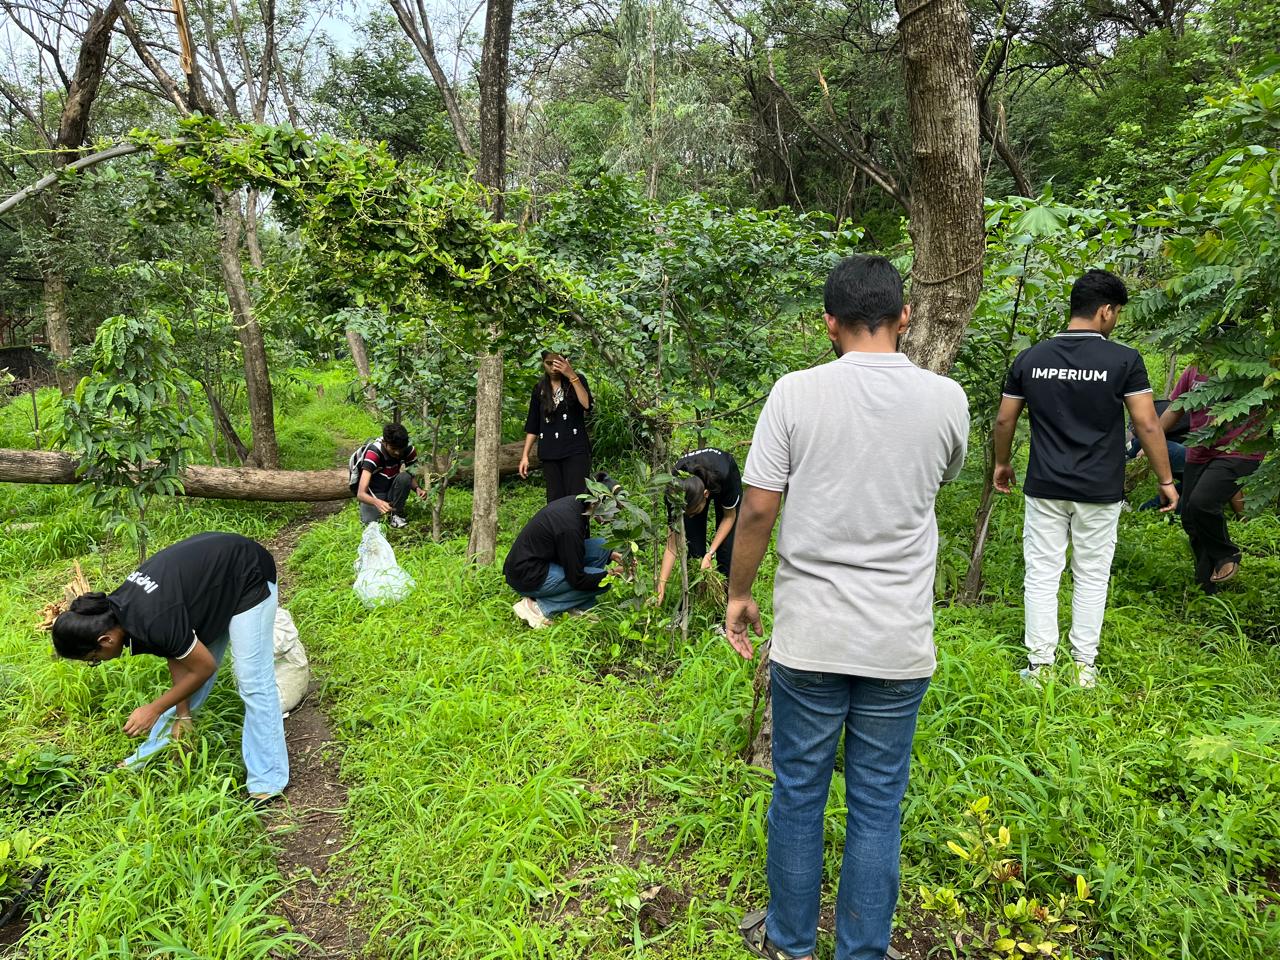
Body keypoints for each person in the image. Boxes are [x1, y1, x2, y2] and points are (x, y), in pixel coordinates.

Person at [725, 255, 969, 960]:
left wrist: (739, 594)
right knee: (877, 806)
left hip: (811, 637)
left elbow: (760, 508)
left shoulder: (795, 394)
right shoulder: (946, 400)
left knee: (798, 791)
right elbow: (938, 479)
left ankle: (791, 945)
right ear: (906, 316)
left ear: (827, 323)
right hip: (898, 643)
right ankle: (863, 951)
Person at [993, 269, 1177, 688]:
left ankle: (1040, 667)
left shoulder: (1031, 358)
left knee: (1042, 572)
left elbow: (1005, 418)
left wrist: (1002, 463)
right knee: (1091, 574)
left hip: (1045, 485)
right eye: (1116, 314)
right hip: (1099, 488)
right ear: (1106, 312)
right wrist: (1165, 480)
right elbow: (1147, 424)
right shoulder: (1123, 360)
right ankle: (1083, 668)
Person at [50, 532, 288, 800]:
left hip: (247, 574)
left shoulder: (150, 619)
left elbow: (204, 668)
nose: (98, 663)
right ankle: (146, 757)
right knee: (188, 684)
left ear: (105, 640)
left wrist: (154, 708)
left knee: (253, 681)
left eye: (93, 660)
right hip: (214, 586)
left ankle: (268, 780)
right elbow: (176, 653)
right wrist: (182, 715)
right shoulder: (119, 610)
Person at [1164, 364, 1265, 591]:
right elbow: (1176, 407)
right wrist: (1151, 436)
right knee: (1189, 516)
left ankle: (1226, 554)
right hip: (1199, 450)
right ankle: (1206, 584)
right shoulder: (1193, 370)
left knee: (1202, 502)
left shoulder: (1251, 367)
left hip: (1240, 449)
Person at [503, 484, 625, 628]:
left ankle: (576, 605)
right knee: (603, 580)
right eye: (611, 510)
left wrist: (612, 555)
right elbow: (577, 579)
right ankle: (538, 607)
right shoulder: (570, 527)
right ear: (596, 503)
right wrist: (613, 573)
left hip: (540, 561)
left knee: (603, 547)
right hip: (527, 575)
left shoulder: (578, 504)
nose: (613, 516)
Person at [656, 447, 742, 604]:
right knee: (695, 553)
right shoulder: (675, 491)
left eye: (694, 512)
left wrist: (710, 553)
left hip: (722, 476)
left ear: (706, 495)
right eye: (687, 513)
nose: (690, 516)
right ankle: (691, 603)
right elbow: (672, 545)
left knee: (726, 552)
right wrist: (660, 588)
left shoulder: (724, 473)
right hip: (691, 488)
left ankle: (723, 614)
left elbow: (729, 517)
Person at [519, 350, 593, 503]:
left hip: (575, 450)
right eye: (549, 363)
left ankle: (578, 528)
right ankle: (559, 528)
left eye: (557, 363)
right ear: (543, 363)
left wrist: (571, 375)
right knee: (555, 501)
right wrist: (525, 456)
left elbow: (587, 405)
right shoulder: (539, 388)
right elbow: (533, 425)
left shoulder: (577, 380)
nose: (553, 368)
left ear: (565, 361)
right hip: (550, 452)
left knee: (578, 499)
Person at [354, 422, 427, 528]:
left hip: (391, 488)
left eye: (400, 449)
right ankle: (384, 510)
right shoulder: (374, 453)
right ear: (384, 443)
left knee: (405, 477)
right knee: (371, 524)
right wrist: (377, 502)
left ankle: (395, 514)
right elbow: (361, 494)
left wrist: (417, 488)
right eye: (393, 449)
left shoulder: (408, 450)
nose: (397, 452)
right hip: (374, 494)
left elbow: (411, 474)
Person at [1127, 397, 1190, 511]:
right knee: (1202, 473)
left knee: (1197, 479)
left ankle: (1150, 508)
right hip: (1147, 443)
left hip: (1142, 440)